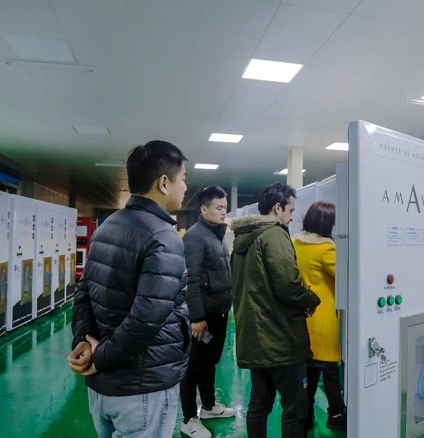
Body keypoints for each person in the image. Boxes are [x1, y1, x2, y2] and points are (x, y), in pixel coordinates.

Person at [68, 140, 192, 438]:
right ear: (164, 183)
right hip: (143, 387)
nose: (186, 187)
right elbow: (146, 320)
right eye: (183, 179)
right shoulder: (163, 237)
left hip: (103, 388)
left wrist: (83, 341)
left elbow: (83, 292)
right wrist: (100, 358)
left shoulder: (108, 226)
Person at [230, 182, 321, 438]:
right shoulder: (274, 235)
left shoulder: (242, 239)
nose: (292, 217)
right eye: (291, 210)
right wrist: (312, 300)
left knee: (259, 404)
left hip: (254, 338)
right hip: (281, 339)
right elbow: (288, 285)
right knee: (295, 408)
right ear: (277, 208)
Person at [180, 186, 235, 438]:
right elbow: (190, 281)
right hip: (205, 314)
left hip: (219, 311)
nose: (224, 212)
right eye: (219, 207)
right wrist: (197, 318)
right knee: (193, 366)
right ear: (204, 209)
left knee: (210, 361)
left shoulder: (217, 234)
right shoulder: (194, 237)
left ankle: (209, 406)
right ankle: (189, 418)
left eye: (225, 207)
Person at [292, 201, 347, 431]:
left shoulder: (296, 242)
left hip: (305, 316)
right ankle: (336, 414)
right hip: (324, 319)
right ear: (326, 224)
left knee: (310, 369)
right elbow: (346, 278)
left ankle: (305, 416)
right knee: (330, 369)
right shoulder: (326, 250)